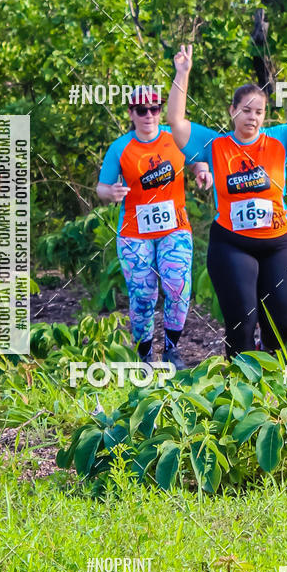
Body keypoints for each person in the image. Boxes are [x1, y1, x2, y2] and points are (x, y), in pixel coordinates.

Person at [167, 45, 287, 359]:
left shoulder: (279, 140)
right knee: (242, 320)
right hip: (232, 244)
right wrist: (182, 73)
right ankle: (239, 383)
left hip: (278, 242)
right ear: (233, 111)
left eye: (258, 112)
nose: (253, 118)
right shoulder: (216, 145)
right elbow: (175, 121)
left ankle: (266, 362)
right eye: (246, 110)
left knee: (285, 320)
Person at [97, 86, 212, 369]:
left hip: (175, 226)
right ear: (131, 114)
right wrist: (110, 193)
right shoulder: (120, 148)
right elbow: (101, 187)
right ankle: (144, 354)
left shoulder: (175, 139)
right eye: (141, 110)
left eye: (155, 108)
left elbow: (197, 160)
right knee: (143, 294)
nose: (149, 115)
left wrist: (201, 171)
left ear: (161, 110)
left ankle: (172, 350)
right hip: (134, 231)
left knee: (177, 286)